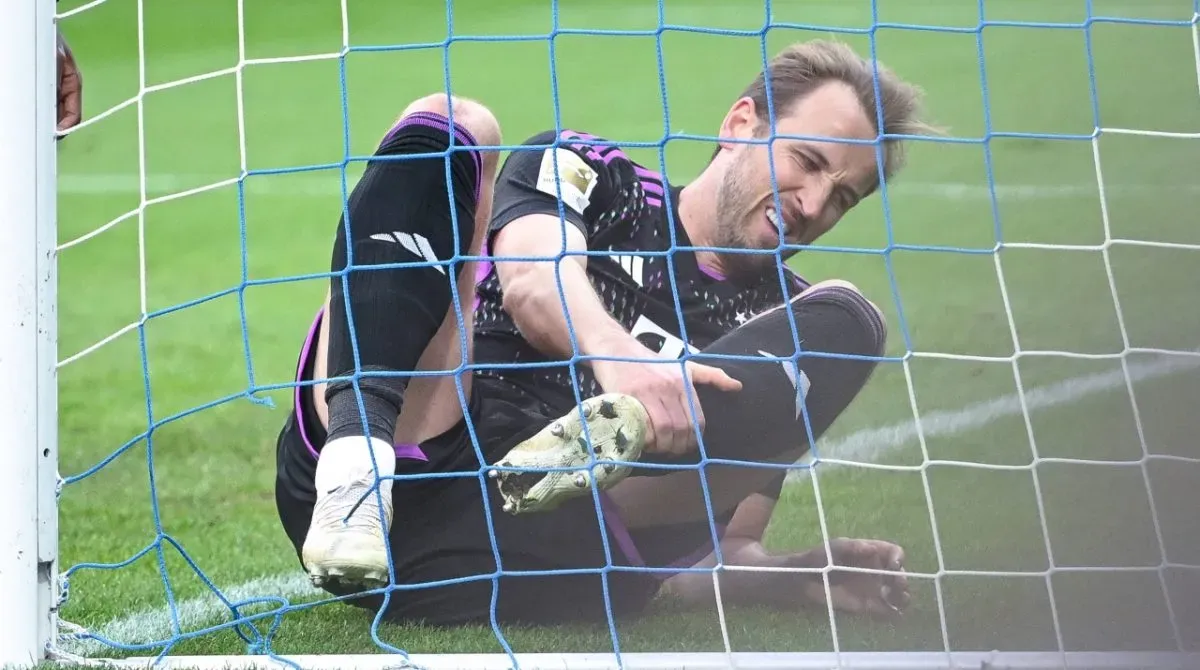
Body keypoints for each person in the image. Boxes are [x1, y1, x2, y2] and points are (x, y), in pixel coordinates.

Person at [273, 39, 936, 627]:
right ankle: (358, 463)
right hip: (424, 451)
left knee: (852, 316)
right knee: (455, 123)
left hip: (556, 545)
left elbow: (722, 544)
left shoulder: (785, 325)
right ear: (741, 124)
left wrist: (790, 574)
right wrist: (623, 359)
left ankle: (606, 448)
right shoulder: (597, 173)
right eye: (807, 161)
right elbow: (532, 279)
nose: (815, 204)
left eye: (843, 197)